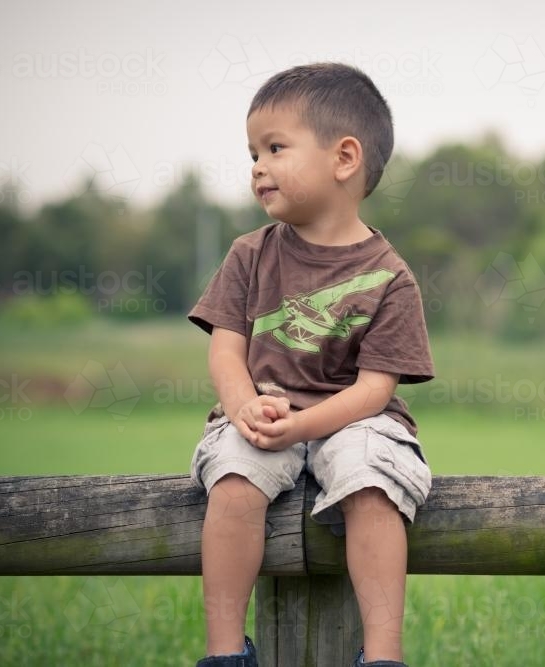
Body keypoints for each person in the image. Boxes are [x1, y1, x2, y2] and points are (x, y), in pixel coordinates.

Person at [187, 62, 434, 667]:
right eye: (252, 152)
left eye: (275, 148)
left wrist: (305, 425)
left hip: (354, 417)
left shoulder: (391, 276)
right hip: (262, 409)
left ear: (344, 158)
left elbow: (376, 389)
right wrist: (245, 406)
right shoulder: (249, 254)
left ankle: (382, 656)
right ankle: (224, 652)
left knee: (374, 478)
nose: (257, 166)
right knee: (235, 475)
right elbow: (226, 349)